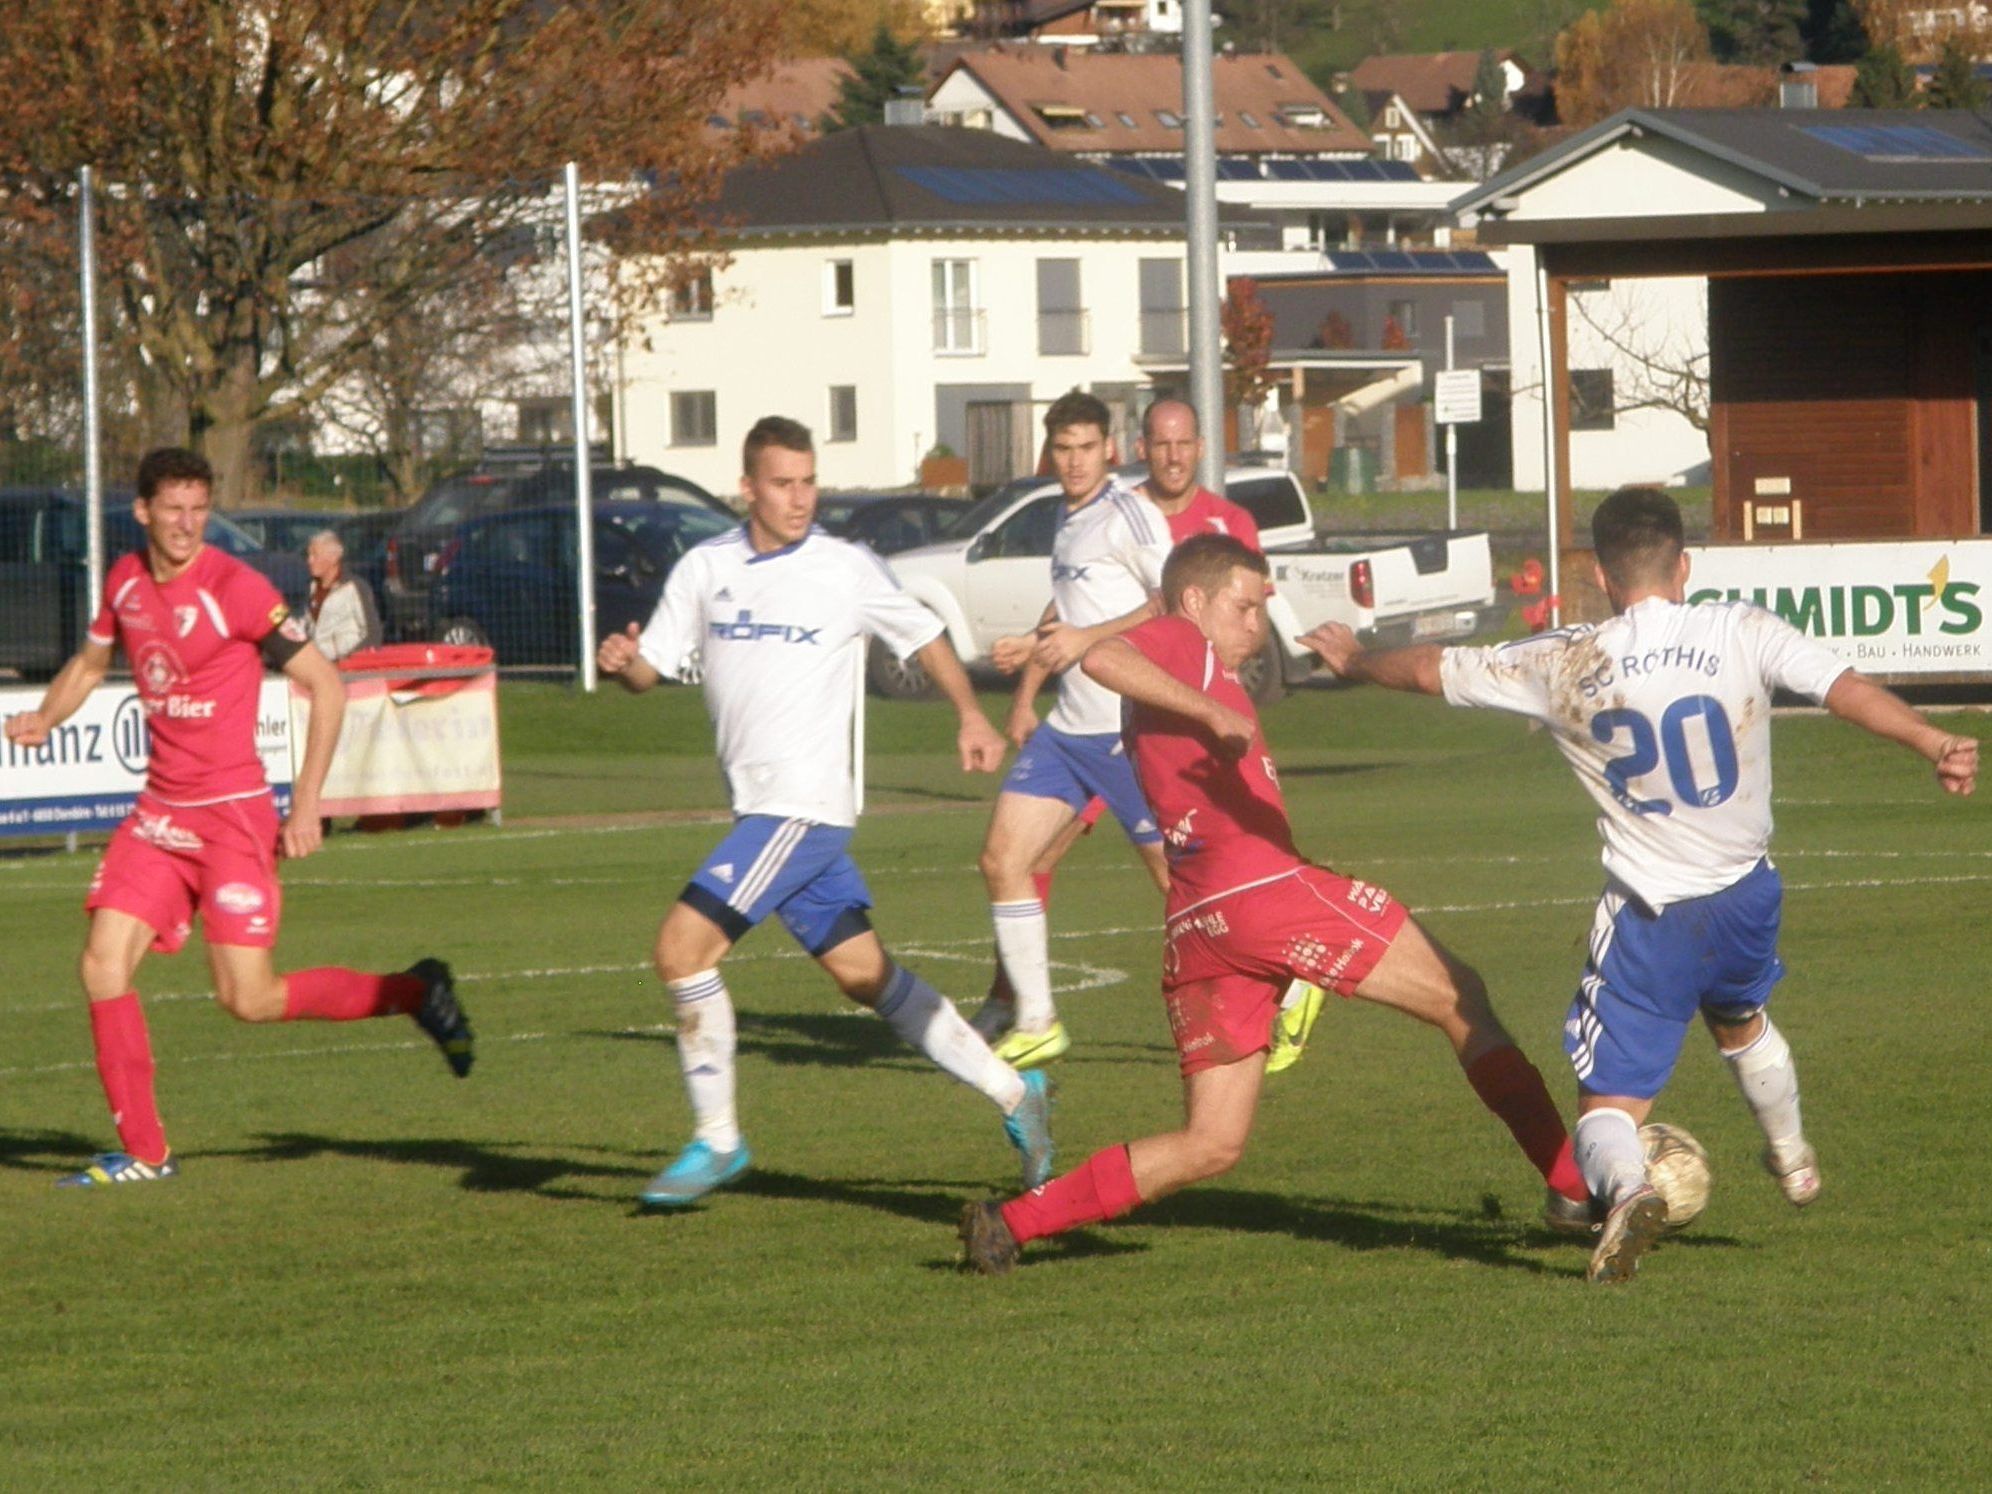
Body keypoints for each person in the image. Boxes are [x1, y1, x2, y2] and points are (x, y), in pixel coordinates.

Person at [1302, 486, 1978, 1284]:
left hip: (1652, 914)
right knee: (1741, 1017)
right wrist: (1929, 737)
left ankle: (1625, 1193)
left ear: (1598, 574)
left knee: (1608, 1104)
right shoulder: (1739, 627)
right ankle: (1793, 1158)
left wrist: (1353, 659)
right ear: (1684, 564)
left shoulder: (1564, 659)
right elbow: (1844, 688)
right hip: (1747, 896)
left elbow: (1427, 670)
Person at [958, 534, 1586, 1274]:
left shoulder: (1191, 669)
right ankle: (1574, 1188)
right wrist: (1213, 711)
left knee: (1212, 1144)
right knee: (1460, 997)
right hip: (1262, 892)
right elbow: (1101, 657)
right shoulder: (1181, 641)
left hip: (1199, 923)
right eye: (1244, 604)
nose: (1257, 623)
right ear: (1194, 600)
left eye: (1263, 607)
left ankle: (1013, 1223)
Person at [595, 414, 1054, 1207]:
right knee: (865, 976)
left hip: (802, 809)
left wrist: (970, 715)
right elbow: (653, 671)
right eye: (783, 483)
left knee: (681, 952)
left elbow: (927, 636)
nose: (801, 497)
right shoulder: (704, 568)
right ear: (748, 488)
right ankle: (1018, 1094)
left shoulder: (846, 568)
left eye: (809, 481)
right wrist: (624, 663)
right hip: (762, 809)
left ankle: (718, 1141)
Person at [2, 448, 472, 1188]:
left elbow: (326, 685)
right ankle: (148, 1154)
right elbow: (90, 666)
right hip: (159, 815)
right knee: (100, 964)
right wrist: (44, 718)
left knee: (247, 999)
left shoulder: (235, 587)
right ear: (144, 512)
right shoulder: (124, 582)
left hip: (231, 819)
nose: (188, 524)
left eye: (199, 508)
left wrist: (307, 802)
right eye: (174, 509)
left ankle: (414, 992)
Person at [971, 391, 1172, 1069]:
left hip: (1127, 730)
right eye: (1063, 449)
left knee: (1184, 889)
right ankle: (1035, 1018)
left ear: (1108, 450)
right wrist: (1034, 645)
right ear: (1049, 452)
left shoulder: (1128, 514)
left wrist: (1089, 638)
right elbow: (1075, 605)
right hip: (1069, 732)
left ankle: (1284, 989)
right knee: (1003, 860)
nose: (1075, 461)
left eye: (1087, 448)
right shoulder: (1066, 515)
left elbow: (1172, 601)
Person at [303, 529, 383, 662]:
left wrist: (349, 660)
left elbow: (373, 634)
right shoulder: (310, 588)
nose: (309, 560)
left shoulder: (354, 588)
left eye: (314, 555)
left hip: (348, 669)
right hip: (318, 668)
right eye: (308, 555)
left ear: (333, 558)